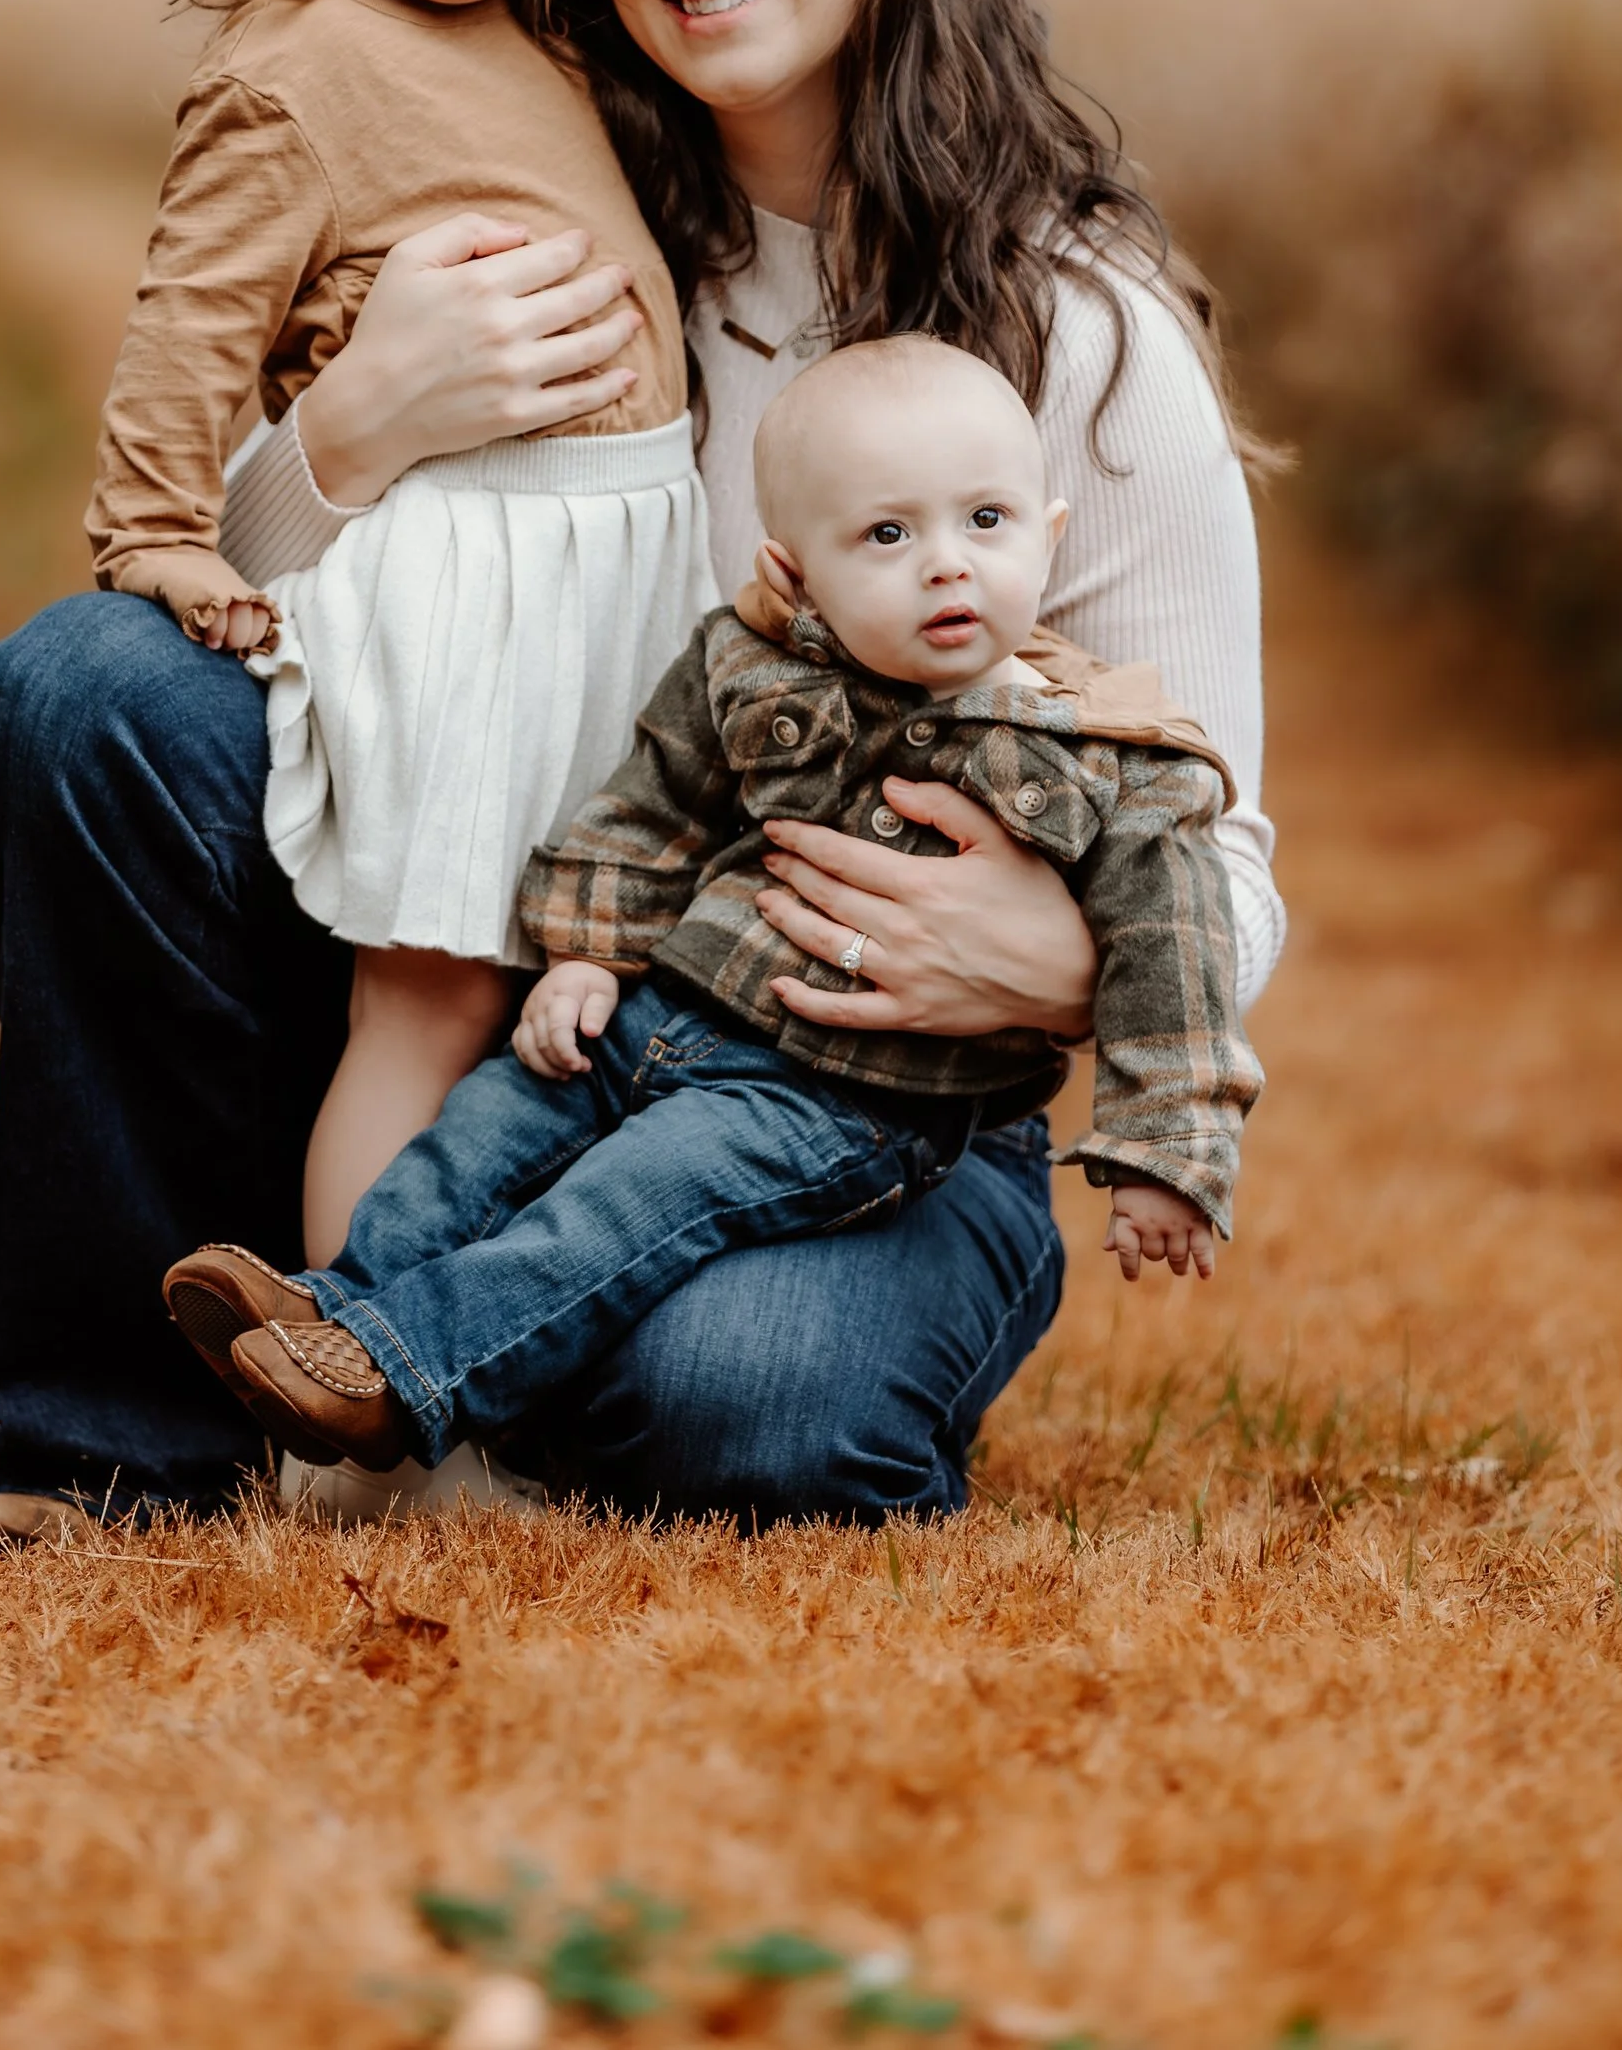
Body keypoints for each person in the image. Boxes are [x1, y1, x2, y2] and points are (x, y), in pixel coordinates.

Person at [0, 0, 1282, 1531]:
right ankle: (125, 1445)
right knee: (81, 699)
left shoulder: (1072, 333)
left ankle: (470, 1348)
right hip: (469, 961)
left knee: (746, 1404)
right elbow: (264, 603)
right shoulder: (551, 199)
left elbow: (1225, 848)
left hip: (850, 1090)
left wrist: (1068, 962)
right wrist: (349, 432)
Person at [158, 338, 1260, 1475]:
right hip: (656, 1020)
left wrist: (1162, 1154)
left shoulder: (1112, 758)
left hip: (839, 1101)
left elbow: (1176, 958)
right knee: (481, 1135)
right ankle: (329, 1313)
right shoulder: (751, 666)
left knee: (622, 1204)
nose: (946, 565)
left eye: (986, 521)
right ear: (795, 569)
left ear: (1050, 532)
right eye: (887, 535)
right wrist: (587, 956)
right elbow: (650, 808)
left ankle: (403, 1376)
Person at [84, 0, 710, 1264]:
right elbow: (187, 328)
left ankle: (473, 1360)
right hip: (472, 582)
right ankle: (352, 1384)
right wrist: (155, 536)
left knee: (563, 1004)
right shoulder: (301, 66)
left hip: (611, 585)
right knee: (428, 1010)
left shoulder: (558, 42)